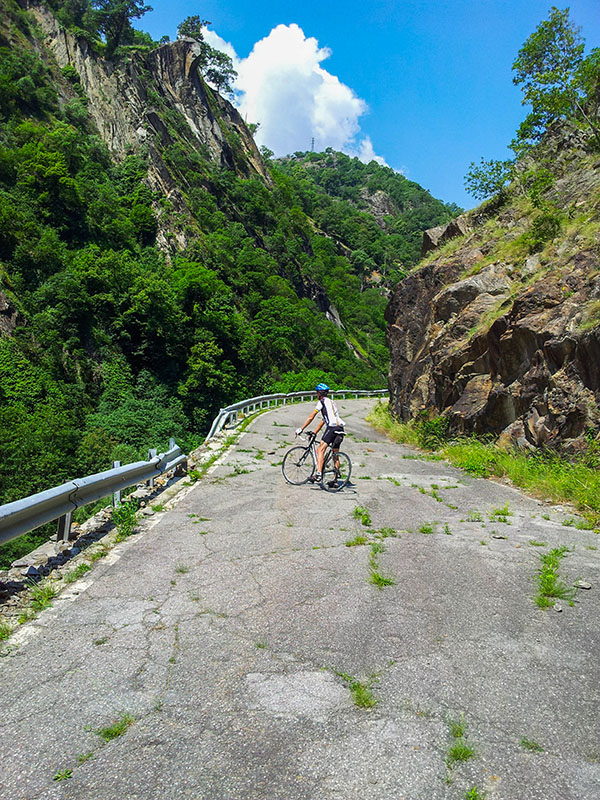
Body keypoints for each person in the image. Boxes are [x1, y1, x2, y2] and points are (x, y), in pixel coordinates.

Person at [295, 383, 345, 485]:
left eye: (317, 393)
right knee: (335, 454)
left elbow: (311, 416)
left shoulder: (321, 402)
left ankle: (318, 474)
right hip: (340, 428)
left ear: (319, 393)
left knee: (320, 450)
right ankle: (335, 480)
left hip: (332, 428)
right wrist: (315, 432)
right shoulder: (332, 402)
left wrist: (301, 428)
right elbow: (323, 420)